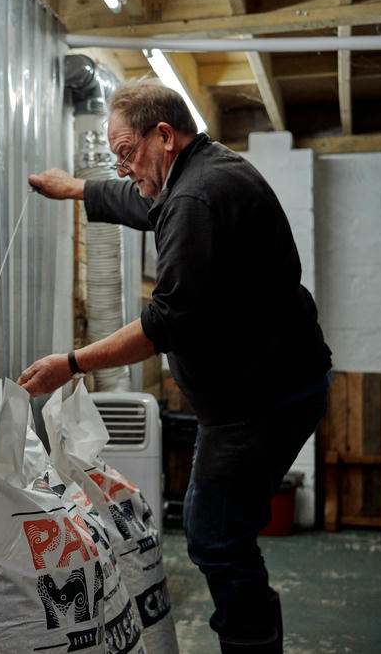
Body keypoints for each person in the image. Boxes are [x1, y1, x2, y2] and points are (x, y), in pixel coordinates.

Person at [17, 77, 332, 653]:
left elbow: (166, 323)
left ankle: (251, 642)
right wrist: (74, 190)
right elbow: (139, 203)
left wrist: (71, 363)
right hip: (277, 386)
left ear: (163, 135)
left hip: (258, 403)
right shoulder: (200, 172)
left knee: (215, 535)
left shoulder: (194, 197)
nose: (124, 169)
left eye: (126, 153)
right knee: (223, 529)